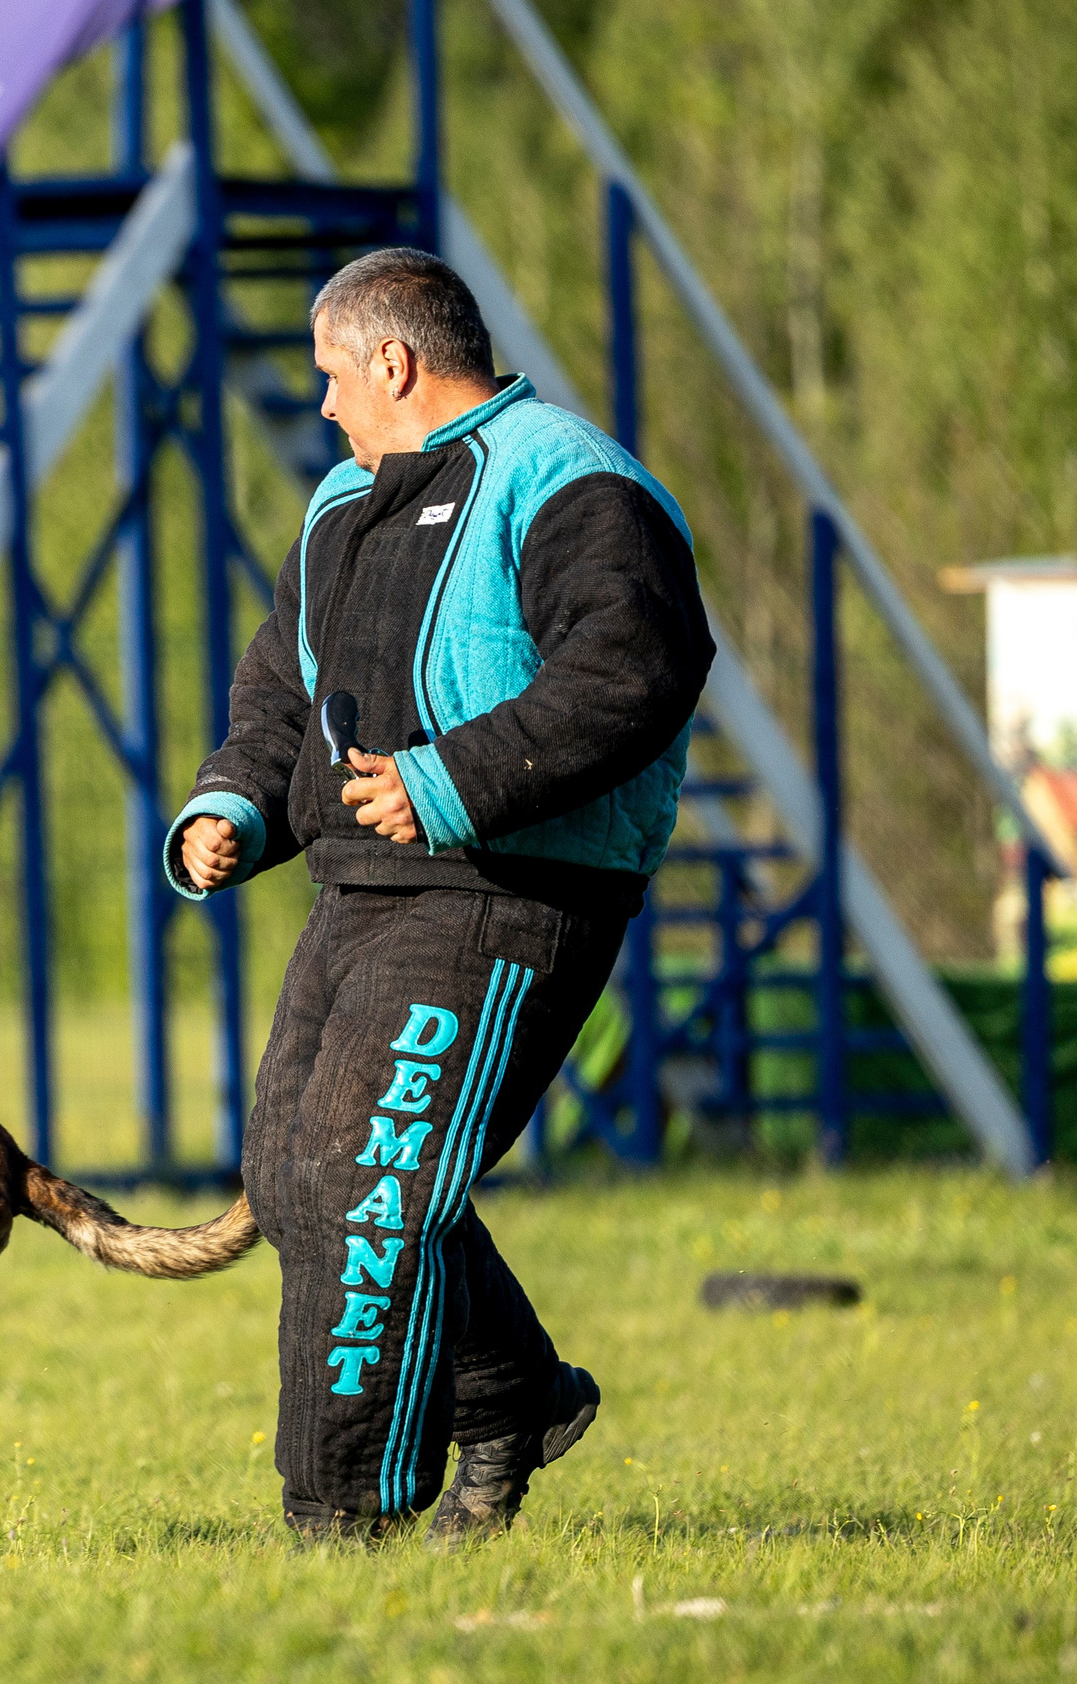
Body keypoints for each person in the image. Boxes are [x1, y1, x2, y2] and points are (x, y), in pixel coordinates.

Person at [167, 247, 713, 1541]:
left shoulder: (571, 481)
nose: (323, 406)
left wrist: (454, 781)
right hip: (361, 892)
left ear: (395, 362)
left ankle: (341, 1520)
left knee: (372, 1186)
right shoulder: (340, 509)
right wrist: (233, 807)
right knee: (298, 1180)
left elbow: (635, 667)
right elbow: (282, 700)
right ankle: (514, 1396)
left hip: (513, 884)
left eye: (330, 376)